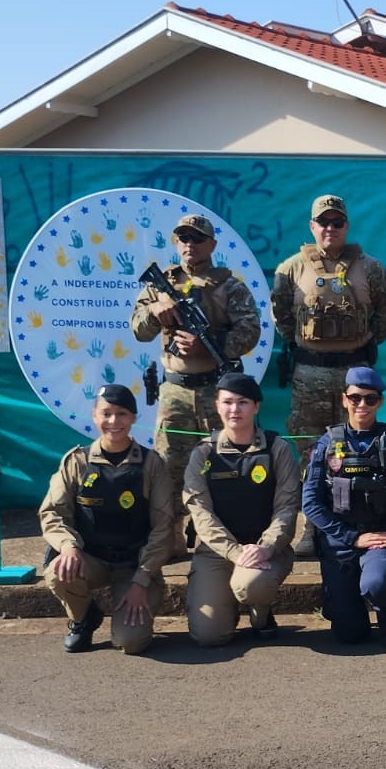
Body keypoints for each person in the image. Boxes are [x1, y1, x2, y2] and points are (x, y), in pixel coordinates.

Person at [271, 194, 386, 554]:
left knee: (358, 453)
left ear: (346, 226)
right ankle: (312, 529)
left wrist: (364, 341)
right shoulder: (291, 268)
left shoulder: (370, 268)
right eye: (323, 222)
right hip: (309, 373)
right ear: (312, 227)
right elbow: (281, 316)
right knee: (311, 455)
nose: (330, 228)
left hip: (353, 376)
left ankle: (359, 523)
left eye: (337, 222)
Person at [128, 213, 262, 553]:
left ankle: (213, 537)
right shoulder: (160, 286)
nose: (190, 244)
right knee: (168, 466)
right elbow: (139, 330)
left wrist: (209, 343)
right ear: (176, 243)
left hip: (217, 389)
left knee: (223, 464)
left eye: (197, 238)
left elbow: (250, 332)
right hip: (174, 390)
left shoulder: (230, 286)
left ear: (212, 245)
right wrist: (155, 311)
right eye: (184, 238)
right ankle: (169, 536)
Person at [302, 366, 386, 647]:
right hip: (342, 544)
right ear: (344, 399)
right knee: (349, 635)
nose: (362, 405)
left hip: (382, 540)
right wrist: (351, 538)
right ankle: (346, 606)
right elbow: (311, 503)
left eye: (370, 399)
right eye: (355, 398)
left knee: (376, 583)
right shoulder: (327, 443)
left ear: (379, 402)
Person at [39, 384, 174, 654]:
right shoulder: (77, 461)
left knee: (131, 642)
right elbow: (53, 512)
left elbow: (163, 527)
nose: (114, 422)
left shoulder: (151, 464)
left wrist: (142, 580)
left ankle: (130, 609)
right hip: (91, 560)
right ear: (94, 415)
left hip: (134, 564)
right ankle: (83, 618)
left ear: (134, 418)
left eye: (122, 414)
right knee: (58, 572)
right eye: (106, 413)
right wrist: (68, 546)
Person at [183, 372, 300, 646]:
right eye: (228, 402)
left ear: (256, 407)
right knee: (209, 636)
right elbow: (200, 514)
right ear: (217, 405)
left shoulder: (277, 449)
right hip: (217, 553)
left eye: (243, 402)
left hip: (265, 550)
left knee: (250, 586)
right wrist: (236, 553)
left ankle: (261, 612)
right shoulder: (202, 453)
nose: (235, 409)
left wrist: (267, 546)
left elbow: (287, 507)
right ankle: (227, 604)